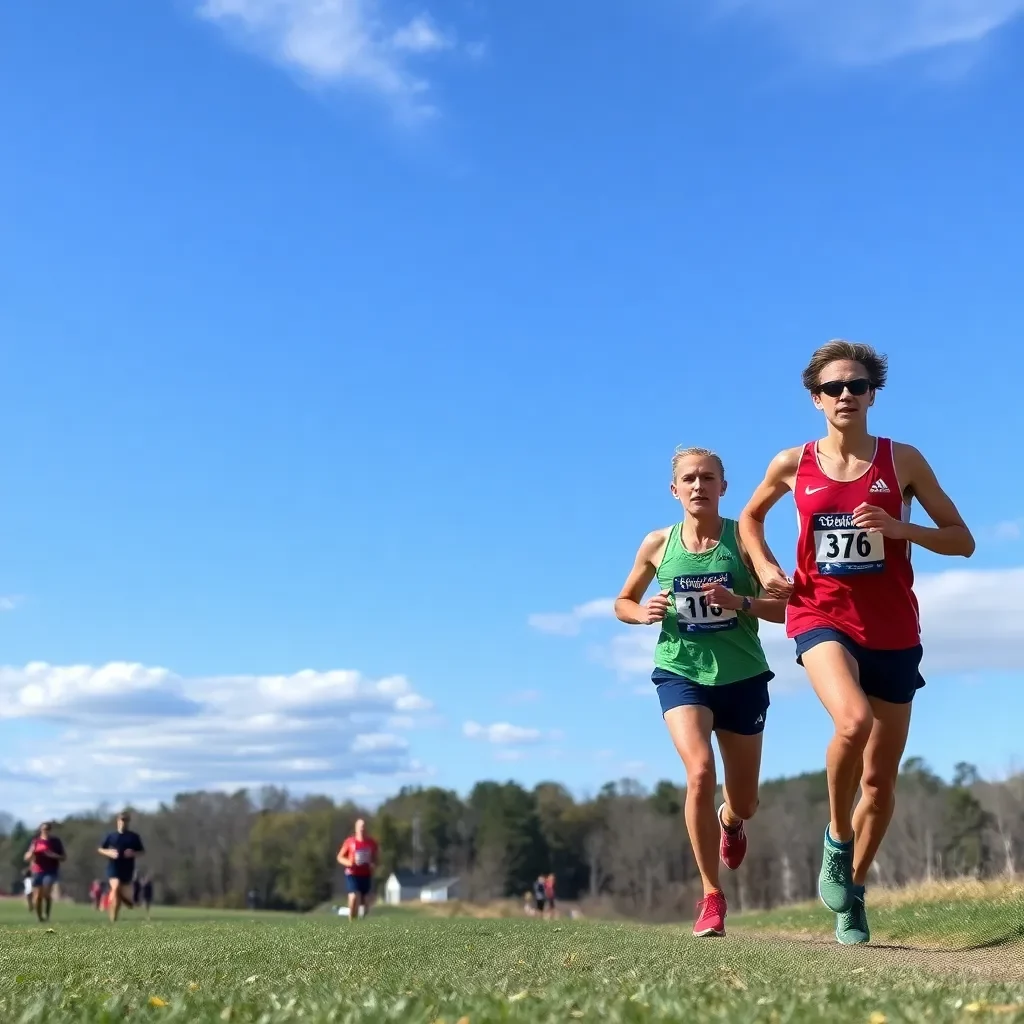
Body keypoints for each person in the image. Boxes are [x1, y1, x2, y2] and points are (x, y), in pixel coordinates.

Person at [739, 340, 974, 945]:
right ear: (815, 399)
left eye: (858, 386)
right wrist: (766, 570)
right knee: (853, 722)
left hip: (894, 631)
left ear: (874, 395)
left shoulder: (904, 462)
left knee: (881, 782)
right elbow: (750, 518)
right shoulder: (794, 463)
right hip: (820, 616)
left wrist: (900, 527)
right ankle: (836, 840)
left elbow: (962, 539)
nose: (846, 396)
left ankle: (854, 891)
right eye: (833, 388)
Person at [615, 446, 786, 937]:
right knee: (699, 771)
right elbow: (622, 601)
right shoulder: (656, 544)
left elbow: (786, 608)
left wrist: (743, 602)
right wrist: (641, 611)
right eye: (688, 479)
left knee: (746, 800)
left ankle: (730, 821)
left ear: (723, 487)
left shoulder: (744, 538)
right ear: (675, 490)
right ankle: (712, 895)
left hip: (742, 675)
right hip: (680, 671)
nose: (697, 486)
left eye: (707, 478)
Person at [98, 810, 145, 922]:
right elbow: (100, 849)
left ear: (128, 822)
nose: (123, 822)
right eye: (121, 820)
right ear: (117, 821)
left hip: (127, 868)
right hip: (113, 867)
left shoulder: (134, 837)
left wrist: (133, 853)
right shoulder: (111, 836)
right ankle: (120, 908)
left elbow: (142, 851)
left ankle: (115, 916)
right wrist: (108, 853)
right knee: (116, 887)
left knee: (118, 894)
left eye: (125, 820)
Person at [336, 818, 378, 921]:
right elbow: (340, 857)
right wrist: (349, 863)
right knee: (354, 897)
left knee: (365, 903)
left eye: (363, 827)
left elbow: (376, 859)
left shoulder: (371, 843)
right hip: (352, 874)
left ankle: (361, 921)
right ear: (356, 829)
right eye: (360, 827)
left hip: (366, 874)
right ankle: (352, 921)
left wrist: (373, 865)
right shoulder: (350, 842)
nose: (362, 829)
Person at [24, 821, 66, 923]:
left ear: (50, 830)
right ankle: (39, 918)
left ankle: (47, 915)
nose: (45, 831)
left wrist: (52, 855)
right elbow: (26, 858)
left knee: (46, 893)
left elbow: (64, 857)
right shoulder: (36, 842)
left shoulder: (56, 842)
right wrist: (32, 852)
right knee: (38, 896)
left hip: (51, 870)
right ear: (40, 830)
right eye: (43, 829)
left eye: (47, 829)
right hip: (38, 870)